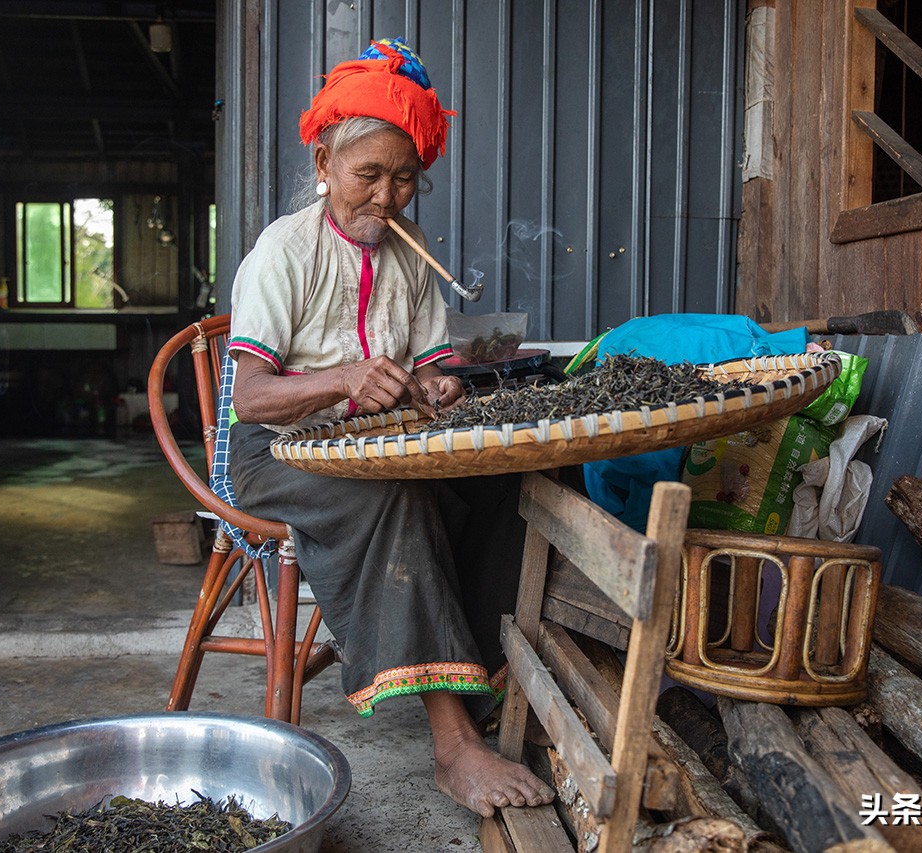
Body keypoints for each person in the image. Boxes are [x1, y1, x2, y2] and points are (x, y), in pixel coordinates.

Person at [226, 38, 555, 818]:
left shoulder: (412, 259)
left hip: (375, 445)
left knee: (515, 475)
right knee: (396, 497)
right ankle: (452, 746)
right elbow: (249, 397)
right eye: (366, 175)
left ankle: (479, 675)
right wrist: (341, 379)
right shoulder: (285, 249)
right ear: (324, 165)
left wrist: (440, 382)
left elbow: (438, 362)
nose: (385, 196)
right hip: (275, 451)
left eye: (404, 178)